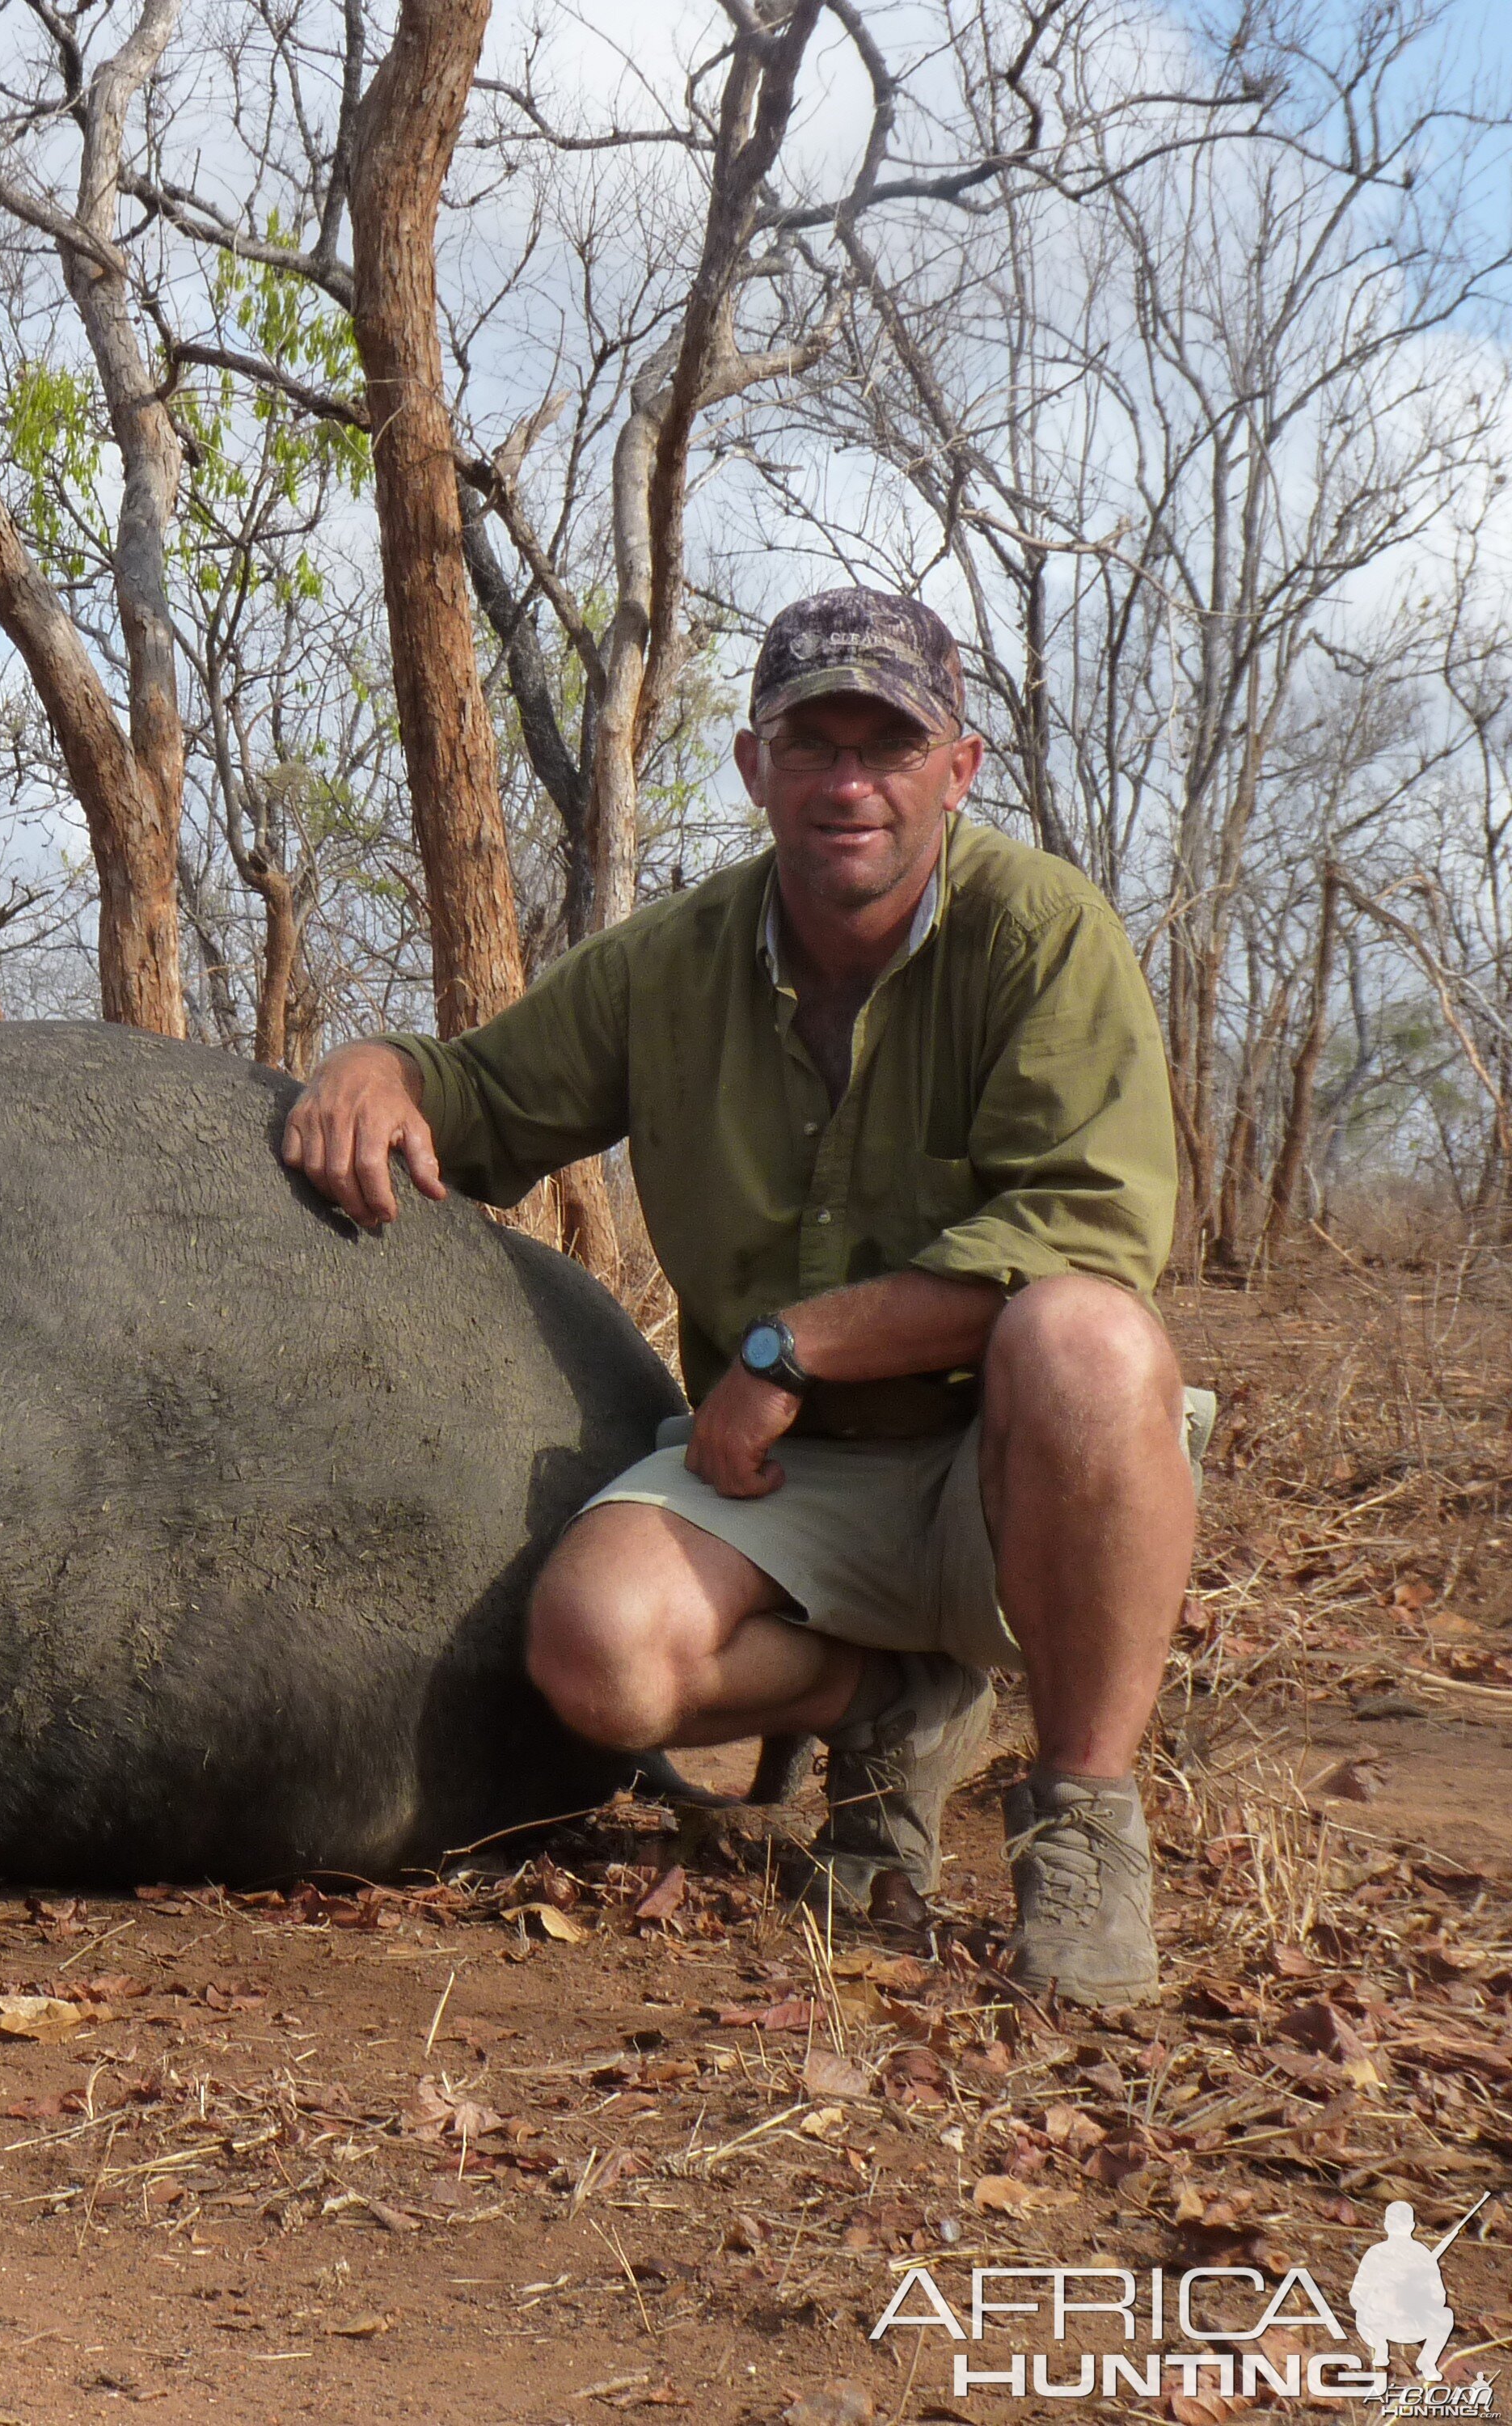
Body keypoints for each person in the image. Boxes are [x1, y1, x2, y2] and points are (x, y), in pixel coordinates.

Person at [280, 589, 1202, 2006]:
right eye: (810, 742)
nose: (849, 783)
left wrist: (796, 1345)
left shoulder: (1042, 934)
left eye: (888, 745)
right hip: (792, 1489)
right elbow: (475, 1102)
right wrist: (376, 1069)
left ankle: (1082, 1823)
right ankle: (887, 1708)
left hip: (997, 1472)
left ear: (957, 769)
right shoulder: (670, 962)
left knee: (1088, 1338)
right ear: (751, 765)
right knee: (599, 1653)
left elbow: (1090, 1223)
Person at [1350, 2201, 1458, 2382]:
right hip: (1379, 2319)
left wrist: (1418, 2293)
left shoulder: (1422, 2256)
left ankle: (1427, 2362)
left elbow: (1439, 2297)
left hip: (1411, 2318)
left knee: (1445, 2316)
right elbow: (1357, 2295)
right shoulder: (1377, 2254)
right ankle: (1380, 2357)